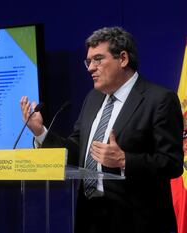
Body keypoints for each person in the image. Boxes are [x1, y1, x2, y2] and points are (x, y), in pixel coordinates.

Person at [20, 27, 184, 233]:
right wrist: (40, 132)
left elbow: (172, 164)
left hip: (136, 221)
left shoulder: (159, 99)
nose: (90, 68)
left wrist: (125, 160)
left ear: (123, 59)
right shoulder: (93, 98)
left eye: (98, 59)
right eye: (88, 61)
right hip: (89, 218)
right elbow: (76, 150)